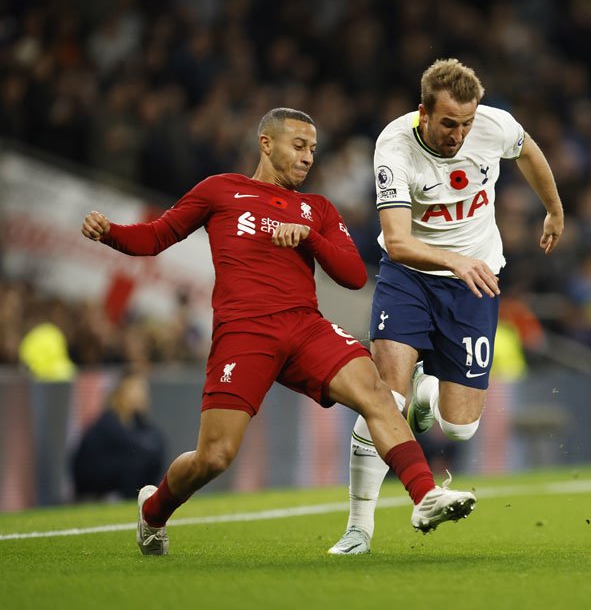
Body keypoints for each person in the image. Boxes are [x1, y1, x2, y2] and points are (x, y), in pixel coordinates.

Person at [81, 107, 476, 556]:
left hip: (306, 326)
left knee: (377, 392)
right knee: (214, 457)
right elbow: (156, 237)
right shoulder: (221, 190)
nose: (308, 157)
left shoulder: (317, 209)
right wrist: (110, 233)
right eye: (299, 146)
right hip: (244, 333)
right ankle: (154, 510)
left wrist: (309, 235)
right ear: (266, 143)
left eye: (313, 150)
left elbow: (352, 275)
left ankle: (424, 496)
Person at [330, 59, 564, 555]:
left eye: (467, 123)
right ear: (423, 113)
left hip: (473, 284)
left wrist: (554, 208)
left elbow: (528, 151)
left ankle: (427, 394)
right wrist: (453, 259)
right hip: (410, 277)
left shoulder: (494, 126)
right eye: (448, 123)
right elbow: (396, 241)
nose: (459, 134)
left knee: (460, 428)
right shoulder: (394, 147)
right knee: (381, 397)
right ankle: (358, 528)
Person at [71, 372, 167, 500]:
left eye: (143, 390)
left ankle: (145, 497)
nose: (140, 395)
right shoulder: (110, 419)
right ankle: (119, 498)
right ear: (122, 392)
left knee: (150, 459)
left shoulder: (137, 421)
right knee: (134, 462)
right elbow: (132, 444)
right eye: (135, 389)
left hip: (111, 471)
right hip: (89, 475)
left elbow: (158, 441)